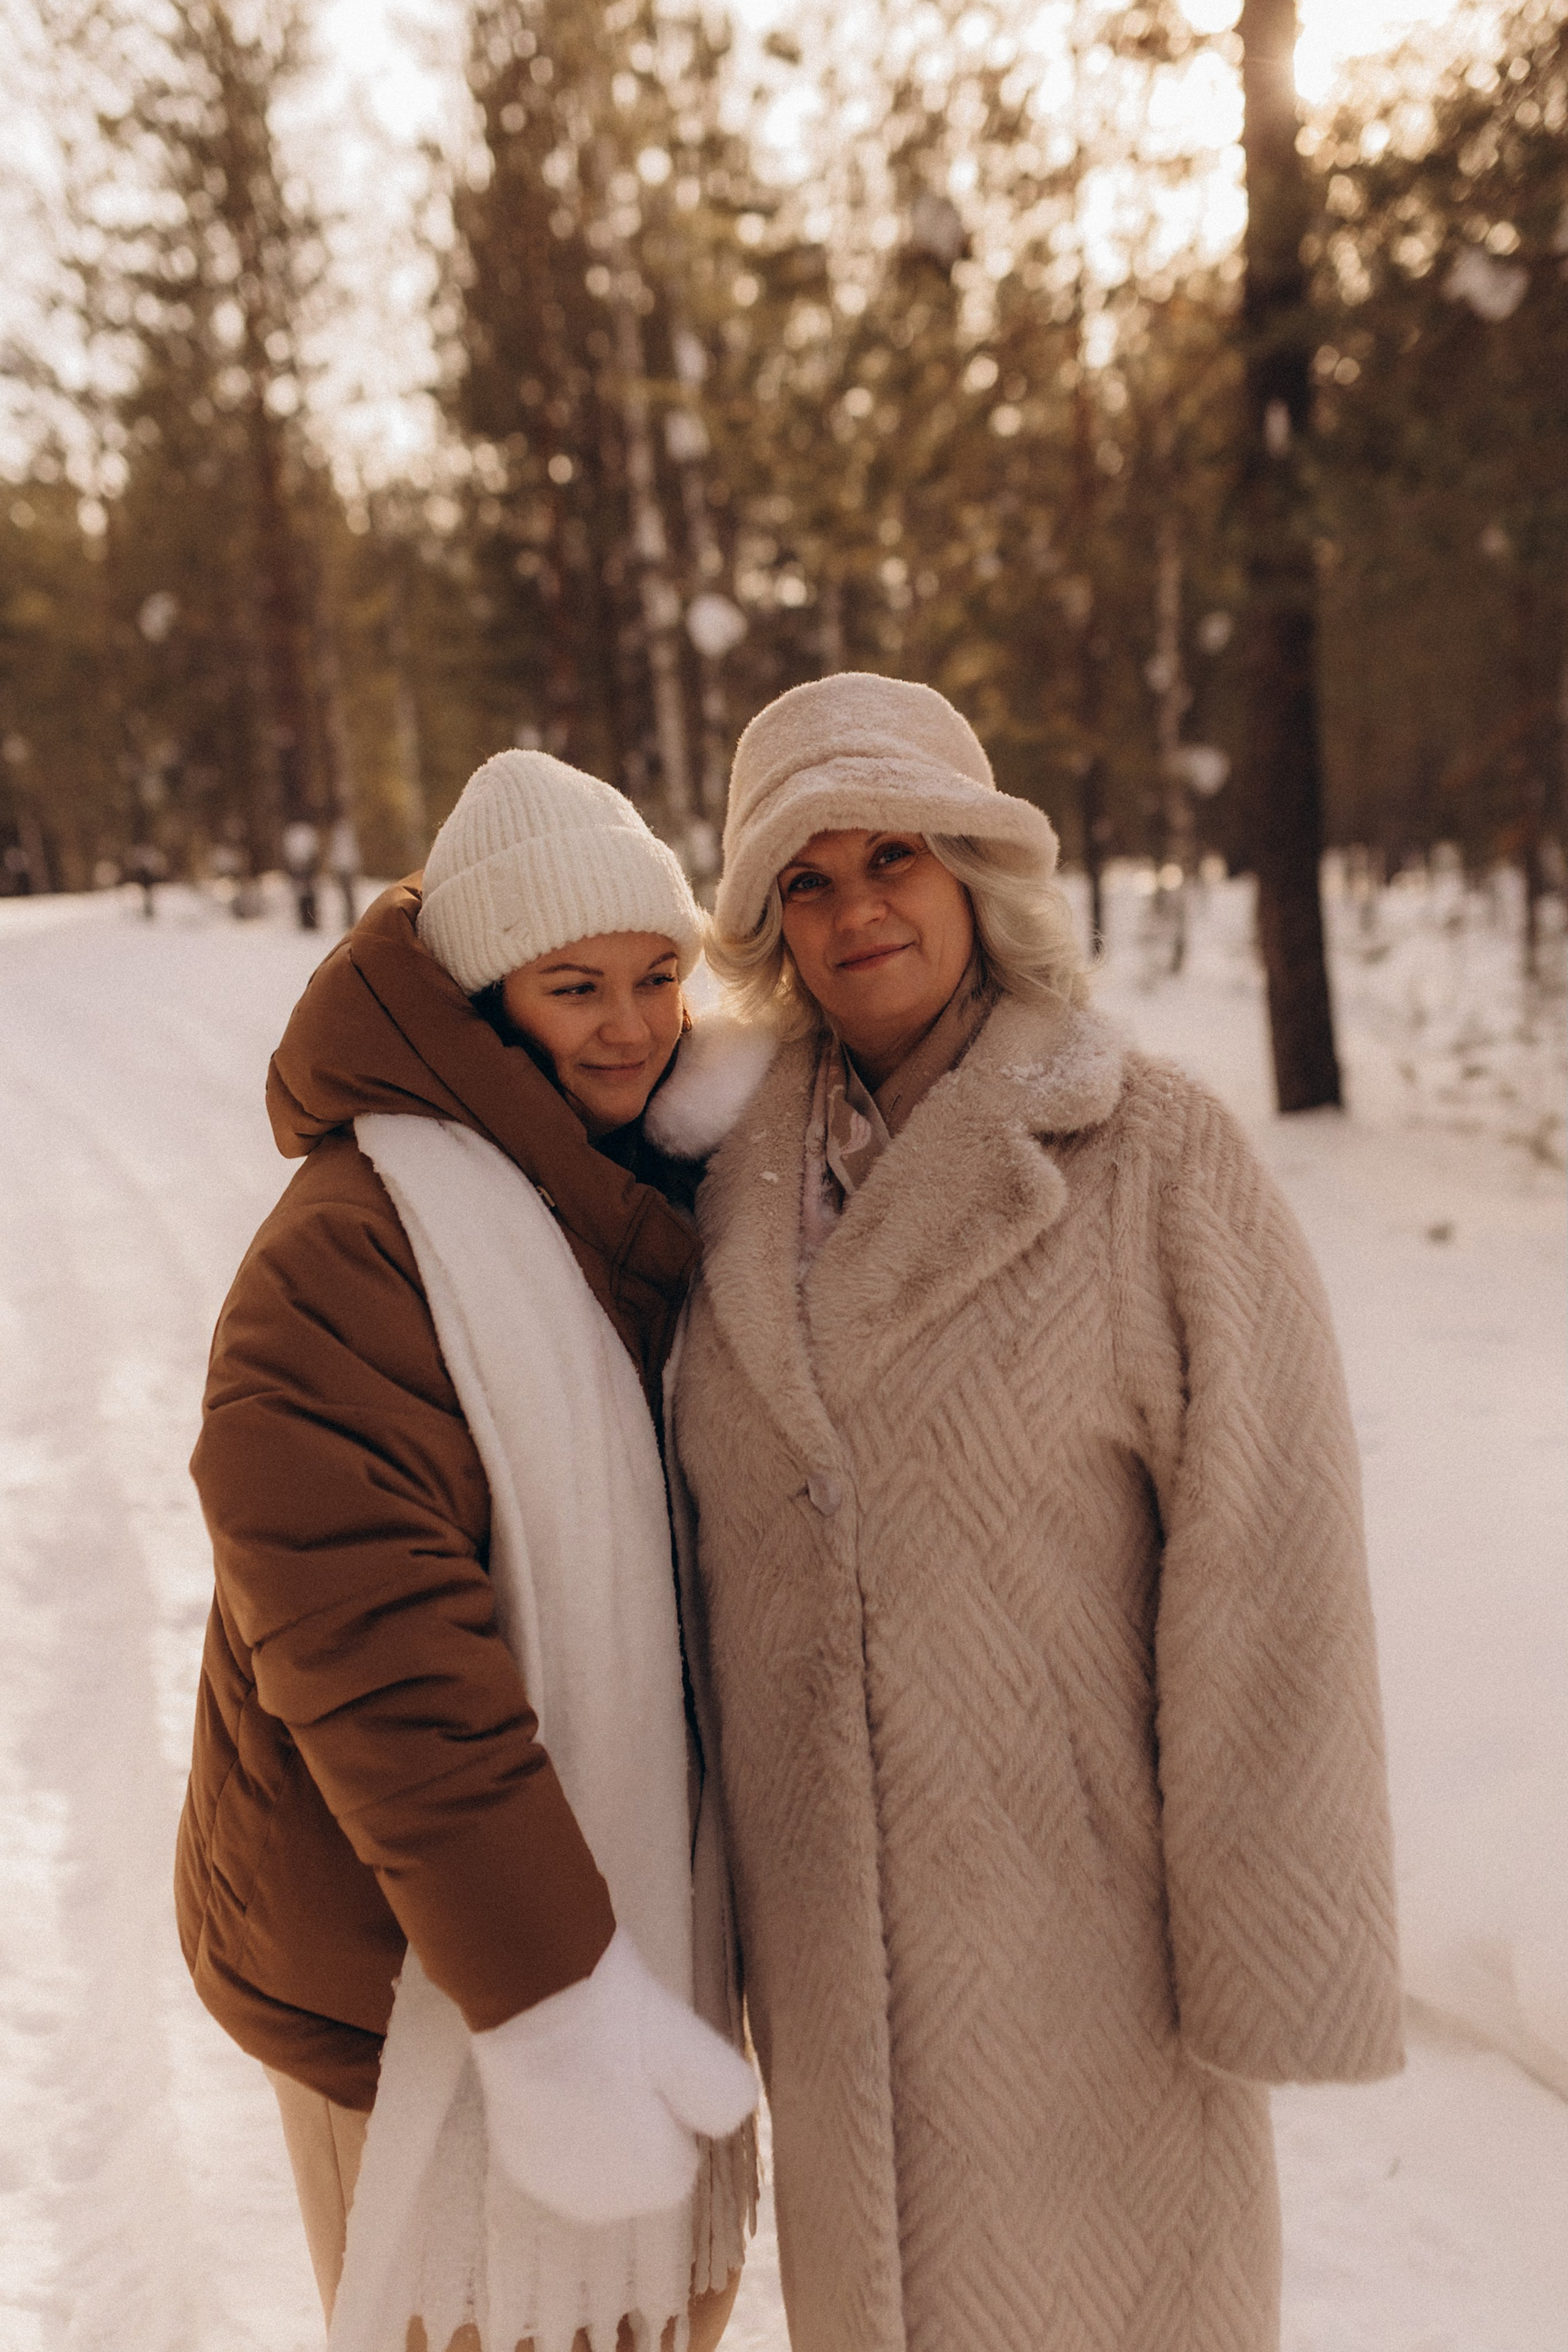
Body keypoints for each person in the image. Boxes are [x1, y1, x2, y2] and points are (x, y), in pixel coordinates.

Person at [646, 674, 1404, 2352]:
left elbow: (1272, 1562)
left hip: (1089, 1944)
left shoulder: (1154, 1155)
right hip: (825, 1952)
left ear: (973, 875)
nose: (858, 912)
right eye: (809, 880)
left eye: (893, 858)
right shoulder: (716, 1180)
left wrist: (1274, 1942)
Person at [176, 751, 756, 2352]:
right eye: (576, 987)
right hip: (409, 1977)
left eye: (659, 978)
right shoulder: (352, 1255)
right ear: (482, 998)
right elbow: (384, 1663)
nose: (634, 1026)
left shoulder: (633, 1199)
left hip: (622, 1936)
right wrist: (557, 1999)